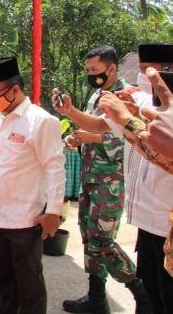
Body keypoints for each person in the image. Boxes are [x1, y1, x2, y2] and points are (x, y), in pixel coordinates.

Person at [54, 45, 152, 314]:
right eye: (88, 71)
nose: (90, 75)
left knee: (103, 242)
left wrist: (93, 137)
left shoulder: (126, 96)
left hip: (111, 181)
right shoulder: (97, 95)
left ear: (112, 68)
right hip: (91, 177)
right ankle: (96, 296)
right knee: (89, 238)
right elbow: (92, 126)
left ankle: (142, 292)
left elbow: (128, 138)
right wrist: (76, 137)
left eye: (95, 71)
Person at [0, 56, 65, 314]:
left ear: (15, 90)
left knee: (29, 285)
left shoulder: (41, 121)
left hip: (26, 220)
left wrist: (53, 212)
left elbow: (54, 167)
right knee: (5, 281)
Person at [92, 43, 173, 313]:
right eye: (140, 69)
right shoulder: (139, 100)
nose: (143, 76)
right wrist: (133, 117)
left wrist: (129, 119)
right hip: (149, 220)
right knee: (152, 292)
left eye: (149, 70)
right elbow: (149, 149)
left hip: (164, 222)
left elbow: (162, 154)